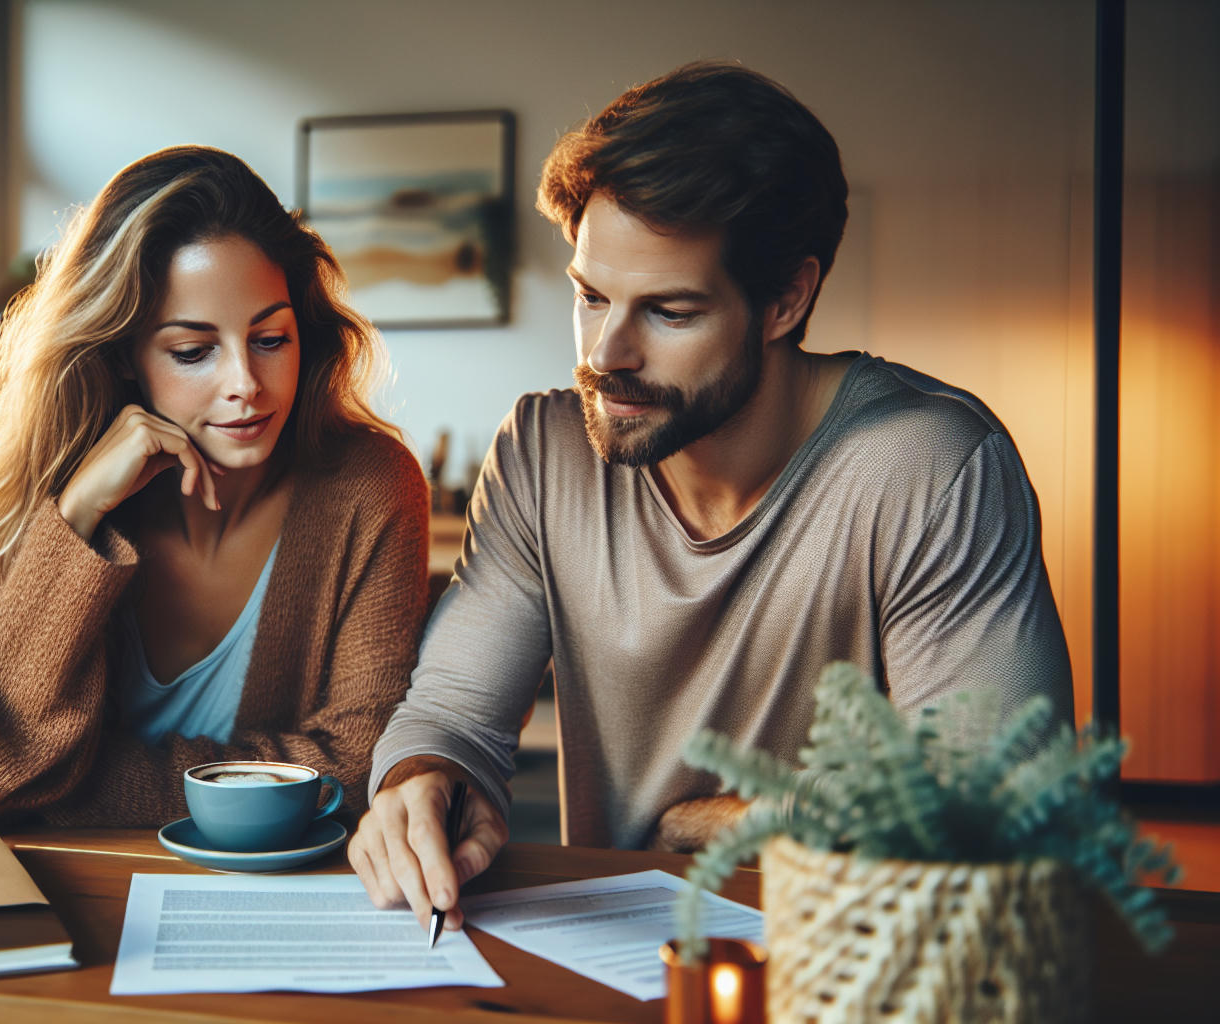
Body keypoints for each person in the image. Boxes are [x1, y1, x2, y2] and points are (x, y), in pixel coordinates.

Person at [346, 62, 1074, 935]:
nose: (607, 353)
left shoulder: (928, 466)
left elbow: (993, 813)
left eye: (671, 312)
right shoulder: (545, 454)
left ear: (786, 299)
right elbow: (454, 710)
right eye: (590, 296)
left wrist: (730, 822)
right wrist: (422, 781)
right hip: (629, 970)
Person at [0, 146, 430, 831]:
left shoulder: (366, 486)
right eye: (193, 351)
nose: (245, 385)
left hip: (209, 866)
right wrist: (75, 516)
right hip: (27, 863)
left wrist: (41, 777)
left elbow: (352, 766)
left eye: (270, 339)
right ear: (123, 354)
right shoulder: (55, 480)